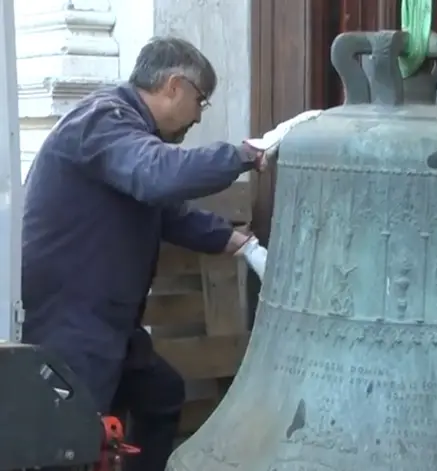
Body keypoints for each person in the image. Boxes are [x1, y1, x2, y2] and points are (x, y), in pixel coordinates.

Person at [20, 36, 313, 471]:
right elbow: (159, 178)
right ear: (175, 85)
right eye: (201, 101)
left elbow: (165, 212)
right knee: (73, 439)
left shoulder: (122, 132)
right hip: (75, 317)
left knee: (160, 394)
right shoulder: (103, 120)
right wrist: (245, 154)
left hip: (110, 318)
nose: (197, 115)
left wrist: (234, 241)